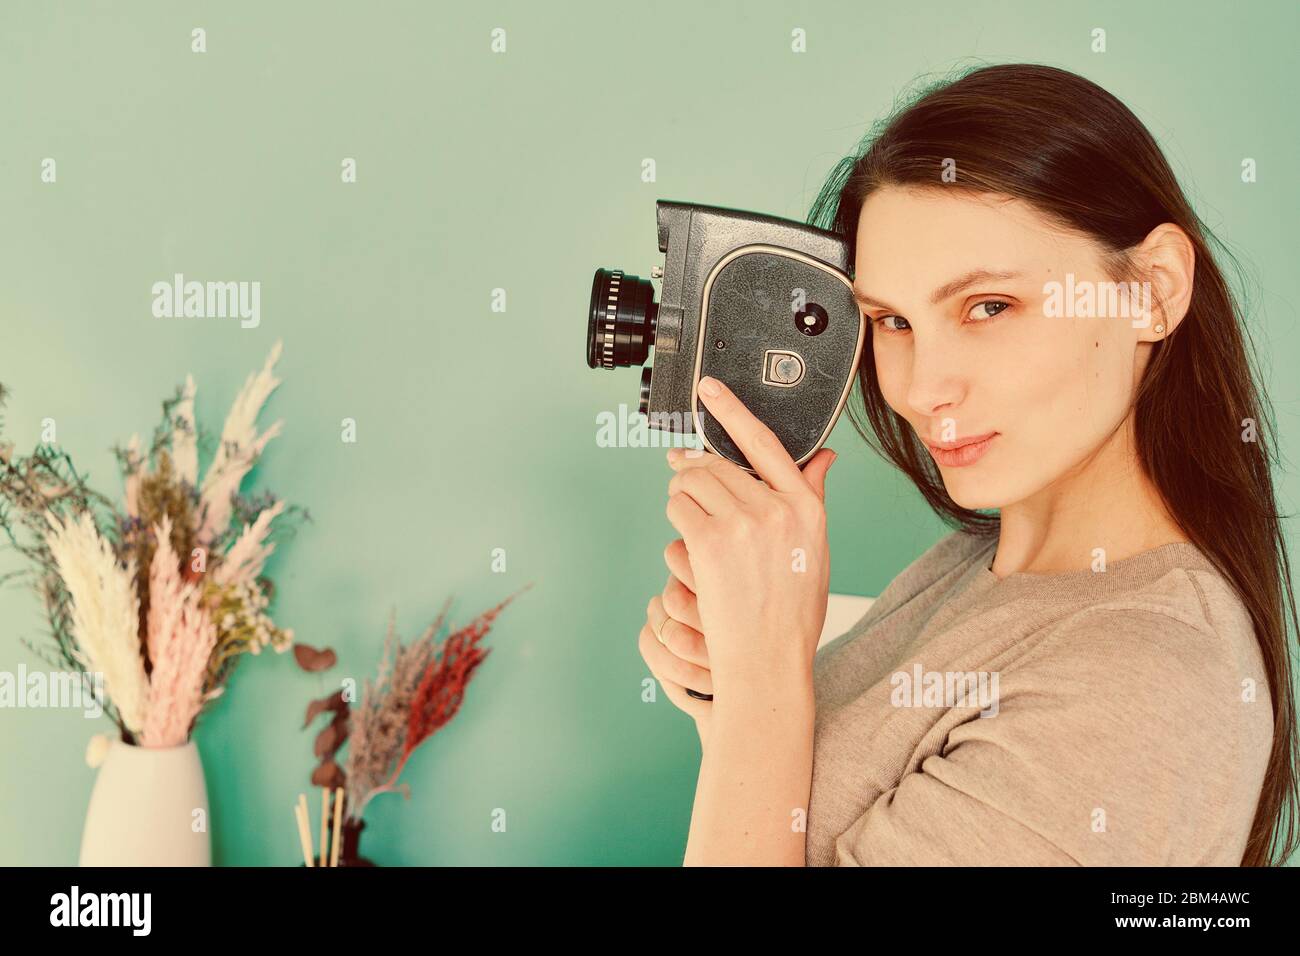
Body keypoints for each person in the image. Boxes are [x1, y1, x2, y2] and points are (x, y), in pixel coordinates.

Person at [639, 63, 1298, 866]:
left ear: (1152, 291)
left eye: (989, 307)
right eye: (891, 320)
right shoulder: (976, 563)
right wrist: (740, 679)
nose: (923, 387)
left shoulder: (1145, 682)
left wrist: (770, 688)